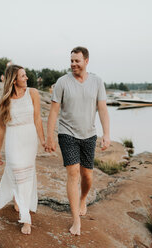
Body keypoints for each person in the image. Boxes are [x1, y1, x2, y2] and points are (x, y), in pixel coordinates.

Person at [45, 46, 110, 236]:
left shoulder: (97, 82)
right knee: (73, 173)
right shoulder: (62, 82)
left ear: (86, 61)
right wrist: (50, 136)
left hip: (89, 135)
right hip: (68, 134)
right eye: (71, 61)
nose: (73, 64)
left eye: (77, 61)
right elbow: (54, 111)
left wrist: (106, 134)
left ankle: (83, 199)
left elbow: (103, 110)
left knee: (87, 176)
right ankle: (76, 220)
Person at [0, 64, 45, 235]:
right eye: (23, 76)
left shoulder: (33, 93)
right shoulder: (3, 102)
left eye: (25, 75)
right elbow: (1, 128)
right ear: (14, 80)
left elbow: (37, 119)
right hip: (13, 139)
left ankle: (21, 203)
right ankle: (26, 218)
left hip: (29, 139)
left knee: (26, 176)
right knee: (16, 169)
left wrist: (44, 140)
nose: (26, 78)